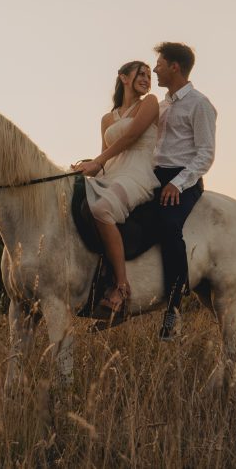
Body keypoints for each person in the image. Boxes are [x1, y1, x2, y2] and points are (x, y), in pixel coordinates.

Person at [73, 61, 160, 314]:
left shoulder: (150, 103)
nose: (146, 78)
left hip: (137, 175)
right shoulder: (107, 118)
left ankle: (121, 286)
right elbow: (105, 158)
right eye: (140, 74)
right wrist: (87, 167)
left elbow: (131, 137)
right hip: (111, 174)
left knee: (101, 208)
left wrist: (98, 162)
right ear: (123, 77)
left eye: (148, 75)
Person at [152, 41, 217, 341]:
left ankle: (173, 311)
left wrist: (177, 184)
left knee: (168, 226)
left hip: (183, 180)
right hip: (153, 176)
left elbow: (205, 153)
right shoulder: (161, 105)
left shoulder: (200, 104)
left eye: (160, 64)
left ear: (174, 66)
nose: (155, 69)